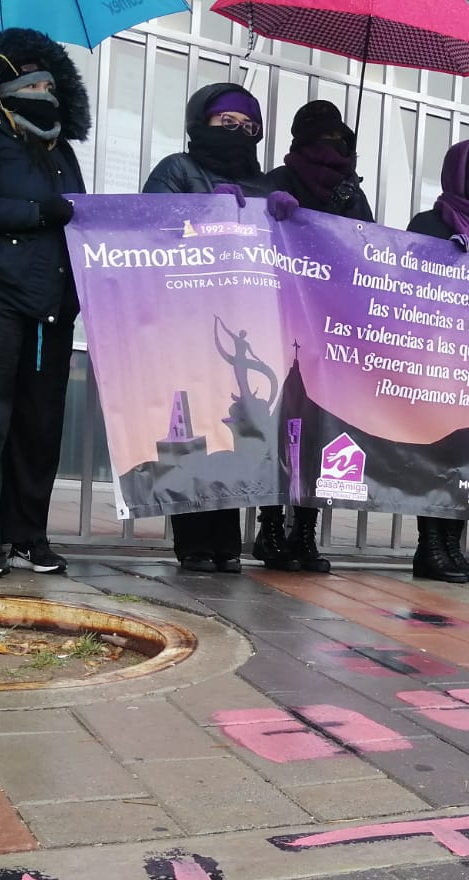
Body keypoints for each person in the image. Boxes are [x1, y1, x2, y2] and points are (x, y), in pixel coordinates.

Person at [0, 29, 89, 577]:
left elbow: (77, 214)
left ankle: (26, 533)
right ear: (2, 86)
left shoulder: (63, 151)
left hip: (51, 305)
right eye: (30, 81)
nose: (43, 90)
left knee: (39, 425)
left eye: (51, 82)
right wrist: (35, 213)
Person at [143, 83, 287, 574]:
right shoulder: (176, 170)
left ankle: (225, 540)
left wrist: (292, 219)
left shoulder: (264, 186)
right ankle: (193, 542)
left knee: (231, 432)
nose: (238, 135)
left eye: (249, 128)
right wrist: (204, 210)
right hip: (185, 321)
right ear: (199, 123)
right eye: (228, 124)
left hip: (240, 327)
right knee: (191, 429)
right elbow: (148, 230)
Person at [252, 99, 371, 573]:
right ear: (299, 142)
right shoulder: (276, 183)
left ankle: (305, 532)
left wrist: (347, 213)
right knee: (280, 426)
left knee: (321, 429)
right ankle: (271, 526)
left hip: (329, 328)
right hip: (278, 321)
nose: (332, 147)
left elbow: (367, 249)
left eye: (340, 140)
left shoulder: (351, 191)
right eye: (322, 139)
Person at [403, 137, 469, 584]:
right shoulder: (429, 222)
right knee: (441, 452)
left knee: (468, 453)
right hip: (440, 357)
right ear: (454, 178)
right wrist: (447, 253)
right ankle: (430, 548)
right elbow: (407, 275)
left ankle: (453, 546)